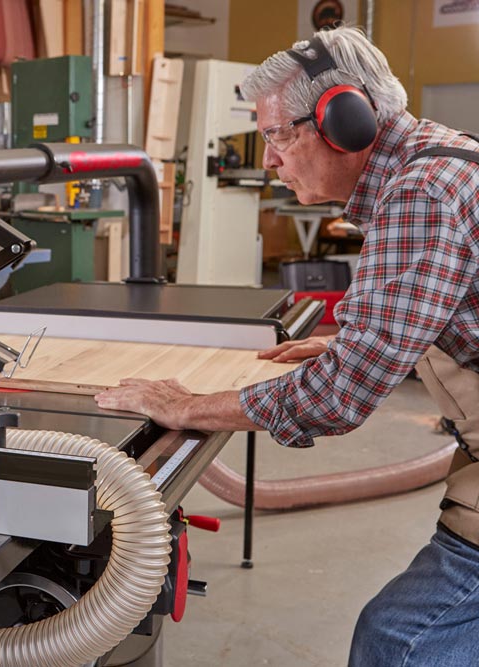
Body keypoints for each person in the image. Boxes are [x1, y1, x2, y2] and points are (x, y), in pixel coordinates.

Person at [94, 26, 479, 666]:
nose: (269, 158)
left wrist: (190, 406)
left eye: (277, 134)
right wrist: (348, 343)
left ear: (344, 120)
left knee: (399, 642)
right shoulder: (437, 157)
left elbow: (339, 398)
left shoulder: (421, 192)